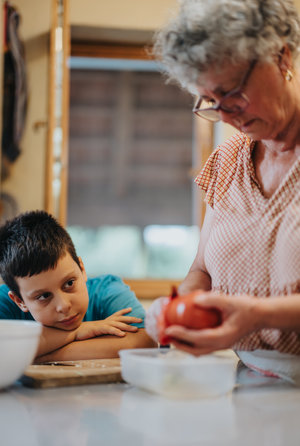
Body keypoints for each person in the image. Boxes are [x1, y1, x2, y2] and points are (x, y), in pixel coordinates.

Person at [146, 0, 300, 381]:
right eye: (211, 102)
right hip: (247, 379)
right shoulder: (227, 160)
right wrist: (177, 307)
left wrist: (259, 314)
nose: (227, 115)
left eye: (232, 92)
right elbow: (202, 270)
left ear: (282, 57)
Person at [0, 210, 155, 362]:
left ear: (82, 268)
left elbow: (144, 342)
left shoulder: (107, 290)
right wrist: (78, 332)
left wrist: (36, 356)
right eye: (44, 296)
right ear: (19, 301)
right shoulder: (4, 302)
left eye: (69, 283)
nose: (64, 306)